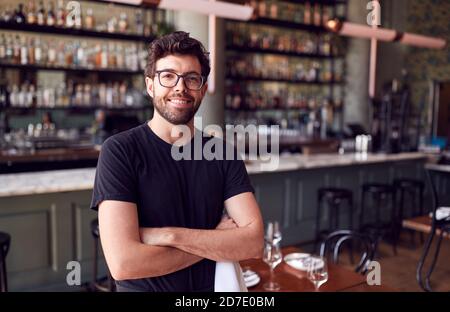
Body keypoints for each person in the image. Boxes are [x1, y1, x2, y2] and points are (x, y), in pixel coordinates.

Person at [90, 31, 264, 292]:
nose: (180, 87)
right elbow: (124, 264)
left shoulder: (222, 153)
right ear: (151, 86)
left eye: (191, 78)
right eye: (168, 76)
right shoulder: (120, 151)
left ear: (203, 90)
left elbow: (253, 244)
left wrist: (169, 236)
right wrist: (217, 241)